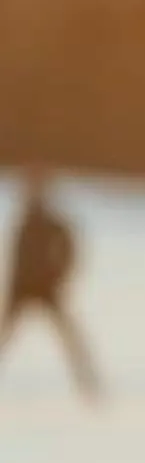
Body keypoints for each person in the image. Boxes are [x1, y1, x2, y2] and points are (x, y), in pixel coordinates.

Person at [1, 167, 101, 396]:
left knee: (70, 338)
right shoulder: (23, 220)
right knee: (5, 335)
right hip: (21, 288)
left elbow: (69, 248)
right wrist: (10, 286)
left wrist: (60, 277)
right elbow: (14, 259)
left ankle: (89, 384)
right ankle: (89, 383)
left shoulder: (50, 221)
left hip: (45, 287)